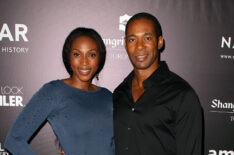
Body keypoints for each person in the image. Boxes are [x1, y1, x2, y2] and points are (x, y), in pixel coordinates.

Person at [4, 27, 114, 155]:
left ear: (100, 58)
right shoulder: (55, 91)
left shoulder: (107, 96)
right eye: (77, 54)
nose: (84, 62)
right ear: (68, 57)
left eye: (92, 55)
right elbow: (14, 140)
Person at [113, 12, 203, 155]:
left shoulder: (182, 95)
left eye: (147, 38)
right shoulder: (119, 93)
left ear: (159, 42)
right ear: (125, 44)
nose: (139, 46)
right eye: (132, 40)